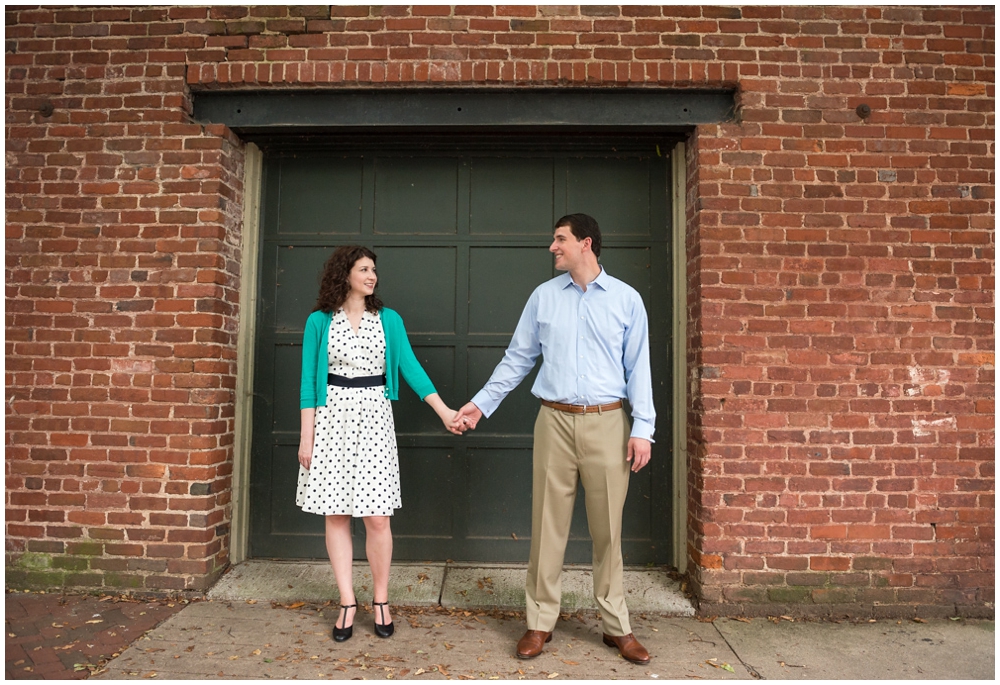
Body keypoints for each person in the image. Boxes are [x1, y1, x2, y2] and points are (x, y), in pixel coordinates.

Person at [452, 213, 655, 665]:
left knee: (609, 531)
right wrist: (481, 404)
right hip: (554, 422)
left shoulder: (626, 300)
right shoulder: (543, 298)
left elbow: (638, 367)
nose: (552, 247)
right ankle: (540, 622)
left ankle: (616, 626)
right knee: (547, 527)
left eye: (560, 239)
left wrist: (643, 428)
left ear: (586, 243)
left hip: (608, 422)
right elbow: (517, 359)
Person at [297, 245, 460, 643]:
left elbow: (410, 368)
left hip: (373, 419)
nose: (372, 276)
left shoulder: (388, 320)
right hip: (331, 418)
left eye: (374, 270)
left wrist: (443, 411)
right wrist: (307, 436)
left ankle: (382, 600)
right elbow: (307, 383)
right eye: (364, 269)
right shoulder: (319, 322)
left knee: (377, 517)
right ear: (345, 274)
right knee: (335, 514)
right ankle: (347, 602)